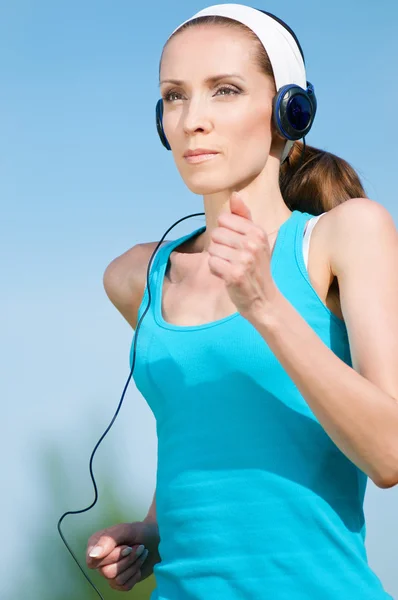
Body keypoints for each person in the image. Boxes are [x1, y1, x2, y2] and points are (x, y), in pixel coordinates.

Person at [85, 4, 398, 598]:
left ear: (289, 110)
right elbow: (203, 424)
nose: (192, 120)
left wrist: (266, 305)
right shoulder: (138, 277)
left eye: (223, 90)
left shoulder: (344, 235)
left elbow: (389, 455)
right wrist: (151, 534)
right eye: (174, 96)